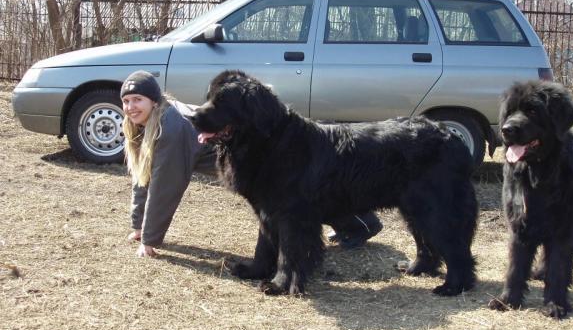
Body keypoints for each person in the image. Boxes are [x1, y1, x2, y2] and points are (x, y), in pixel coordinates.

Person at [121, 70, 382, 257]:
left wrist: (150, 239)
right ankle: (360, 222)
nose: (132, 107)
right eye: (126, 101)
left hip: (252, 156)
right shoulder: (143, 125)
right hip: (240, 160)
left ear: (154, 101)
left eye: (138, 100)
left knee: (302, 196)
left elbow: (166, 185)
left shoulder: (170, 128)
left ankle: (362, 224)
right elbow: (143, 177)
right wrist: (137, 225)